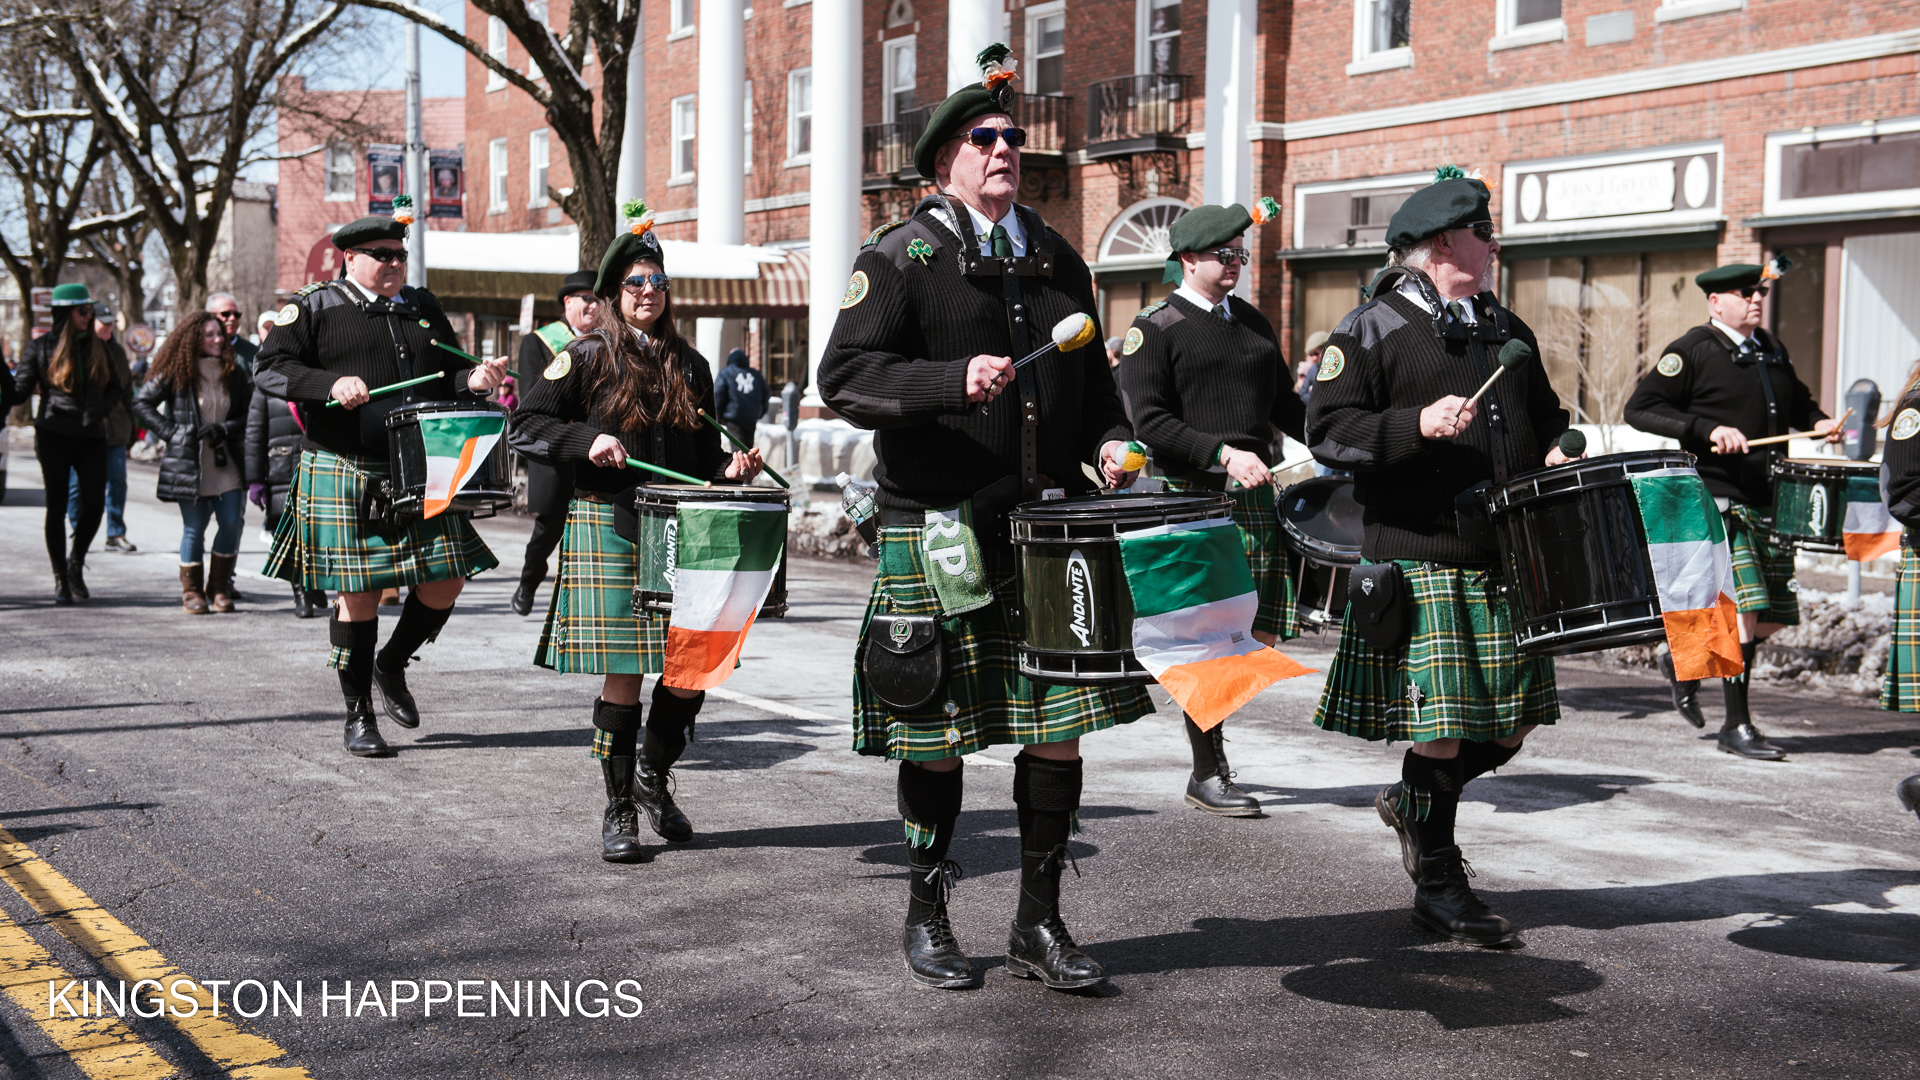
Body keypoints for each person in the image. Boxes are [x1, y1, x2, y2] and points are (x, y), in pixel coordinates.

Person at [819, 44, 1146, 991]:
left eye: (1011, 136)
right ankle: (927, 913)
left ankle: (1037, 924)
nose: (1004, 148)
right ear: (945, 164)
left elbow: (1098, 398)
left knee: (1059, 726)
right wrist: (945, 383)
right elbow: (843, 379)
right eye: (983, 137)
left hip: (1049, 532)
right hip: (939, 526)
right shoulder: (902, 258)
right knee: (937, 728)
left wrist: (1118, 444)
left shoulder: (1057, 259)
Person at [1306, 167, 1573, 947]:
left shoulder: (1501, 327)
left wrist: (1556, 449)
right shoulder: (1371, 328)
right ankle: (1439, 879)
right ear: (1441, 245)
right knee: (1448, 729)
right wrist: (1412, 426)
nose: (1493, 245)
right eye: (1483, 233)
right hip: (1420, 553)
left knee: (1514, 725)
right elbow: (1328, 432)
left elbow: (1545, 412)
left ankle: (1410, 802)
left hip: (1501, 553)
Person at [509, 210, 763, 862]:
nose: (647, 291)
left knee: (691, 672)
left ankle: (653, 772)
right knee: (624, 676)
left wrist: (729, 469)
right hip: (609, 525)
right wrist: (584, 439)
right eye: (633, 283)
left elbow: (703, 456)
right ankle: (619, 807)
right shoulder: (584, 356)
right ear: (613, 296)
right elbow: (527, 426)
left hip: (684, 529)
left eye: (656, 280)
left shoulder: (693, 365)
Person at [253, 214, 510, 757]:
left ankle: (389, 664)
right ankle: (358, 714)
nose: (394, 263)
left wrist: (476, 380)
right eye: (381, 254)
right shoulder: (315, 306)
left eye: (399, 254)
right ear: (350, 258)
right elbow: (270, 369)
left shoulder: (420, 306)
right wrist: (328, 384)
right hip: (344, 465)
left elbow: (447, 376)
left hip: (419, 466)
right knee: (359, 595)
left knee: (449, 579)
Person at [1117, 201, 1307, 817]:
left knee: (1259, 631)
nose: (1236, 264)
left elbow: (1286, 405)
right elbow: (1150, 423)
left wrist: (1351, 442)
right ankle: (1208, 770)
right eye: (1225, 255)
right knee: (1209, 641)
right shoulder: (1156, 327)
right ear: (1188, 258)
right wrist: (1221, 452)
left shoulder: (1250, 321)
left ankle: (1200, 719)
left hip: (1252, 497)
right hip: (1192, 495)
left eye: (1241, 255)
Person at [1623, 262, 1839, 760]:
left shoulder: (1770, 348)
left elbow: (1798, 403)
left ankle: (1682, 663)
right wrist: (1706, 429)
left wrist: (1820, 420)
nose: (1756, 299)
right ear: (1716, 302)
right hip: (1719, 500)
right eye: (1745, 292)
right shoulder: (1692, 350)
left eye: (1759, 291)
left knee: (1773, 618)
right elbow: (1638, 408)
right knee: (1745, 613)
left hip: (1768, 499)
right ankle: (1736, 725)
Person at [132, 312, 253, 613]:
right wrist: (172, 433)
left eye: (219, 334)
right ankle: (192, 593)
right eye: (209, 334)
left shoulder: (234, 371)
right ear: (193, 339)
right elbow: (141, 402)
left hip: (227, 462)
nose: (217, 339)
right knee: (194, 528)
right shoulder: (177, 371)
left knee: (230, 525)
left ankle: (220, 588)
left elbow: (249, 414)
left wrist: (225, 428)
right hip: (190, 464)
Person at [14, 284, 125, 604]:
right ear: (64, 313)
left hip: (91, 436)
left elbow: (116, 388)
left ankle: (76, 561)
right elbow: (19, 392)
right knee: (57, 506)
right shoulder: (40, 347)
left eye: (90, 310)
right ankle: (60, 577)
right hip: (54, 435)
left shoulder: (99, 347)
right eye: (83, 311)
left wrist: (99, 411)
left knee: (94, 505)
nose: (89, 316)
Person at [511, 270, 600, 617]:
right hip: (556, 444)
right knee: (549, 525)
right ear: (568, 302)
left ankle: (576, 600)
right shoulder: (540, 342)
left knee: (590, 525)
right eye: (586, 299)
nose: (594, 306)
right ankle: (529, 581)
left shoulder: (607, 342)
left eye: (598, 299)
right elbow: (531, 398)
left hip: (595, 447)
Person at [247, 377, 326, 616]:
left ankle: (316, 583)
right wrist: (255, 479)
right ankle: (301, 594)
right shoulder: (266, 385)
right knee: (295, 537)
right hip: (282, 470)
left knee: (319, 534)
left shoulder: (316, 374)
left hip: (319, 466)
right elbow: (254, 433)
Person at [67, 302, 137, 553]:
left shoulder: (117, 352)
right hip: (83, 431)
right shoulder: (75, 348)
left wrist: (132, 429)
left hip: (115, 429)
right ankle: (78, 530)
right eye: (103, 322)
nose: (108, 327)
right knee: (77, 486)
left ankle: (115, 533)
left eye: (111, 323)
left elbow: (126, 392)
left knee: (117, 481)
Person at [712, 346, 768, 451]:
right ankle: (749, 467)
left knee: (738, 450)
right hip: (751, 416)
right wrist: (760, 412)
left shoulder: (726, 372)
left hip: (734, 417)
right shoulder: (755, 374)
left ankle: (743, 468)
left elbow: (718, 394)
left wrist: (717, 415)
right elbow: (766, 394)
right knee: (748, 448)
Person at [207, 294, 256, 373]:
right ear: (210, 317)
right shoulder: (198, 352)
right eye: (225, 314)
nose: (232, 318)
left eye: (236, 315)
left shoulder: (254, 354)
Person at [1295, 330, 1329, 401]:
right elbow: (1301, 394)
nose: (1314, 357)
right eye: (1311, 354)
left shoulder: (1331, 368)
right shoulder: (1312, 370)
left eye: (1317, 353)